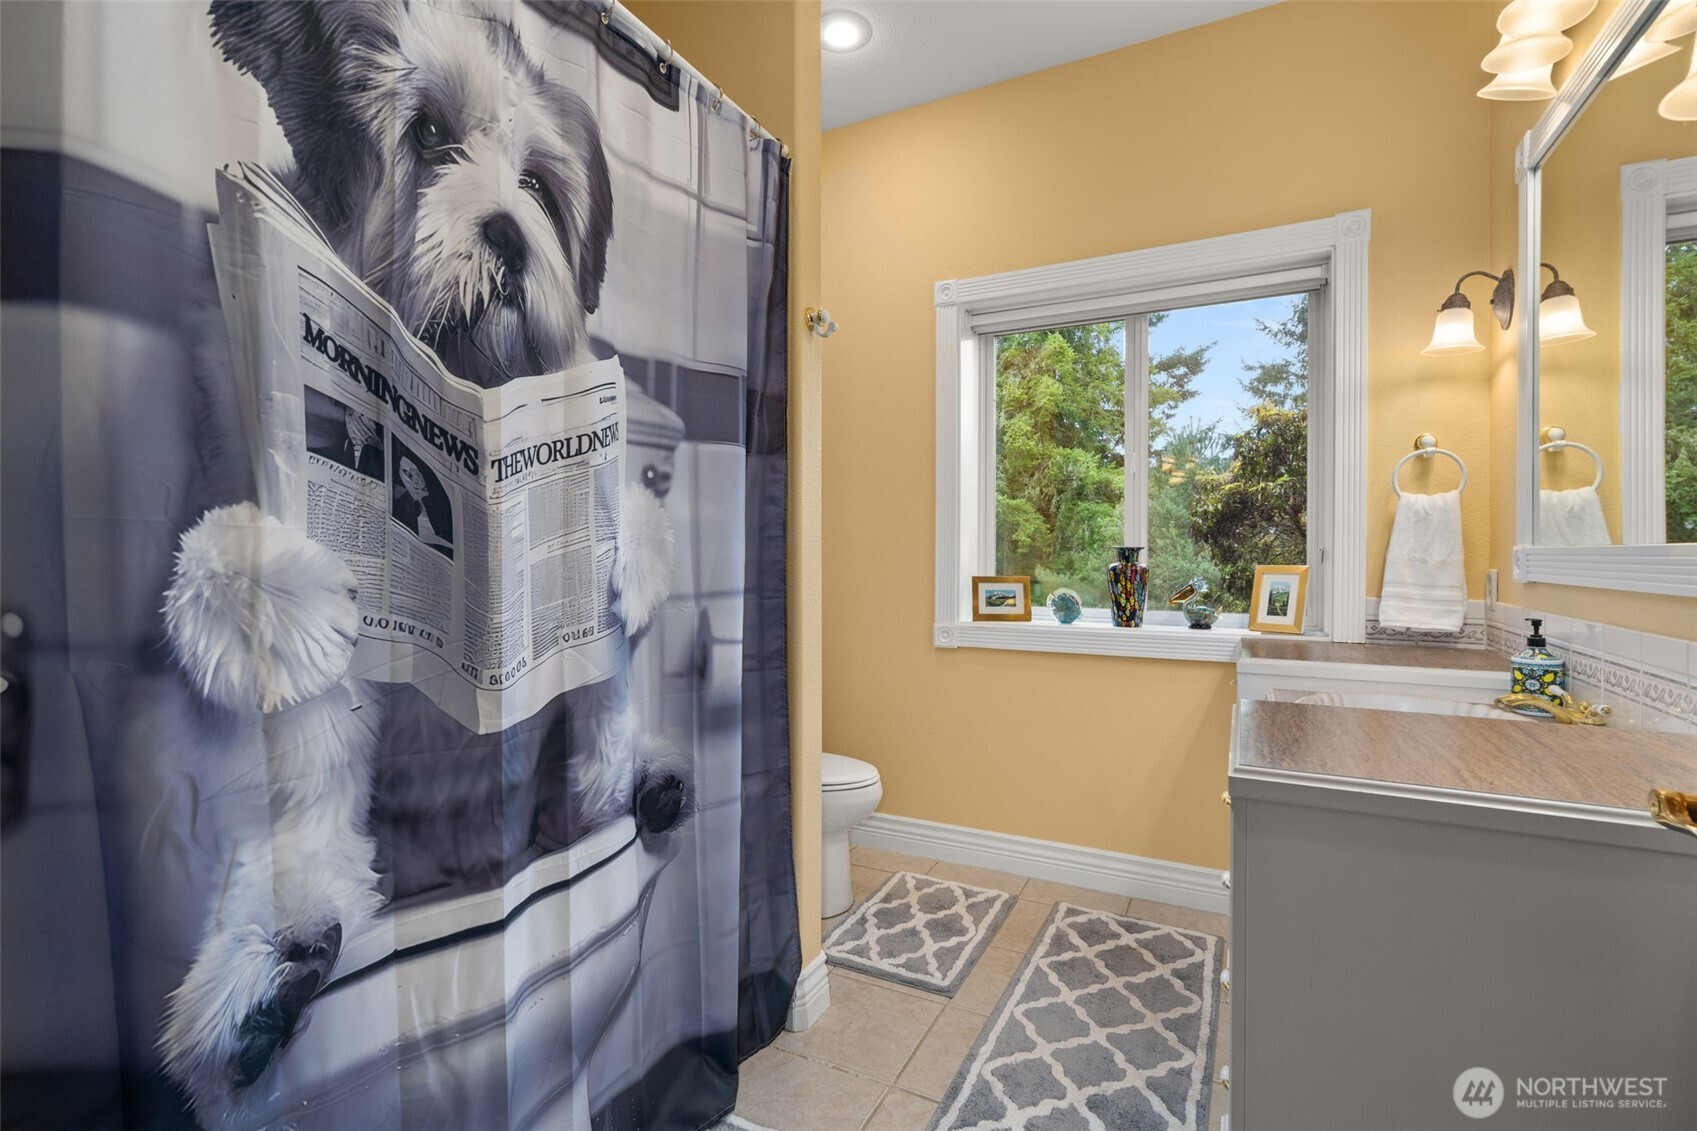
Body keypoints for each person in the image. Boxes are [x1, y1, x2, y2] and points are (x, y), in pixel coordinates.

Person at [393, 454, 454, 558]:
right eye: (410, 475)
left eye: (418, 473)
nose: (419, 481)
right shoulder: (403, 506)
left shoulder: (439, 499)